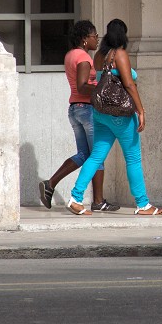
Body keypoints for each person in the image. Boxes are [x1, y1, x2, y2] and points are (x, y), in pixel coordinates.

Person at [68, 19, 162, 216]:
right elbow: (129, 84)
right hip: (120, 115)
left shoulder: (100, 56)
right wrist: (141, 110)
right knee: (133, 159)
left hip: (100, 113)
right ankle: (143, 204)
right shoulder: (119, 54)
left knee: (96, 156)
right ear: (123, 35)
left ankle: (75, 198)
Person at [37, 20, 116, 214]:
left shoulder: (70, 55)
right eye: (94, 36)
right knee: (98, 155)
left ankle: (50, 183)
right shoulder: (83, 57)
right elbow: (82, 86)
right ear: (84, 39)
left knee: (83, 154)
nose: (97, 39)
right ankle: (98, 201)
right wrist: (104, 88)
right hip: (87, 109)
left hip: (74, 109)